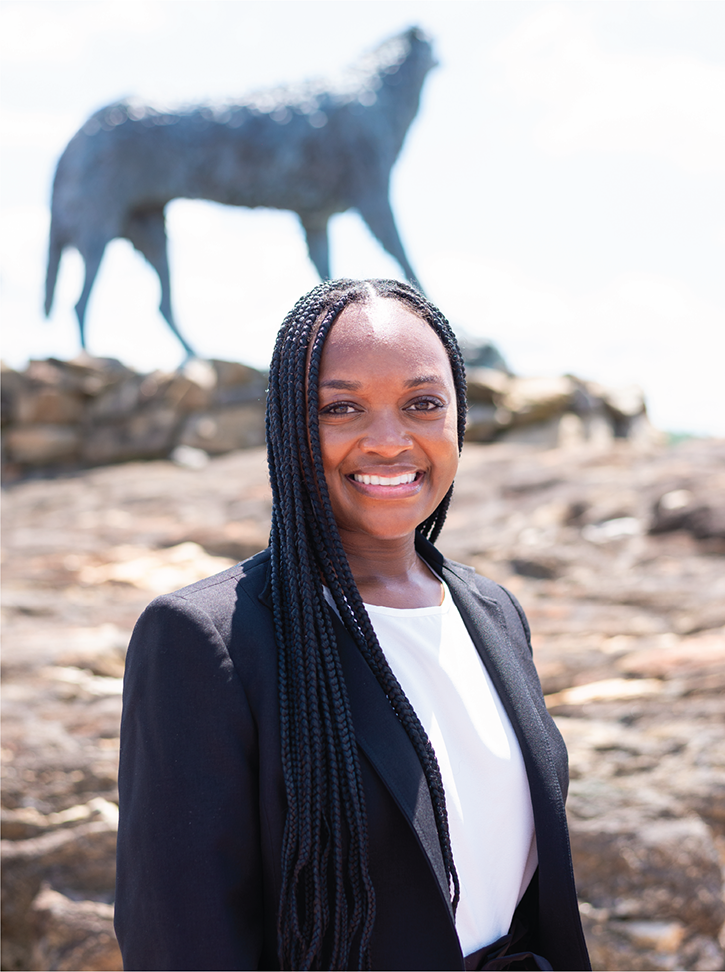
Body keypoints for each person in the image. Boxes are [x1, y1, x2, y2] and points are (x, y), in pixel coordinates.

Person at [114, 279, 590, 972]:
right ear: (288, 427)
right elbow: (180, 943)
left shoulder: (491, 613)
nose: (389, 441)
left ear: (458, 418)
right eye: (341, 408)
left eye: (422, 403)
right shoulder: (207, 639)